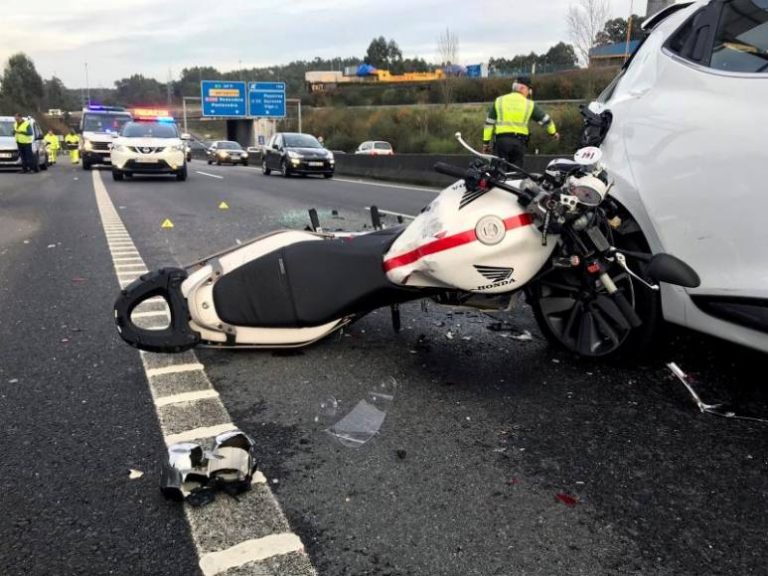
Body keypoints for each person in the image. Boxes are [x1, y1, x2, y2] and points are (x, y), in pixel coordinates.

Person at [482, 76, 560, 168]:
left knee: (498, 173)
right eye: (528, 89)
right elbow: (547, 121)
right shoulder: (529, 104)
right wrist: (553, 133)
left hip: (501, 142)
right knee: (515, 175)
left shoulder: (499, 101)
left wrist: (485, 143)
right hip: (519, 144)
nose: (529, 92)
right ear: (522, 88)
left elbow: (489, 124)